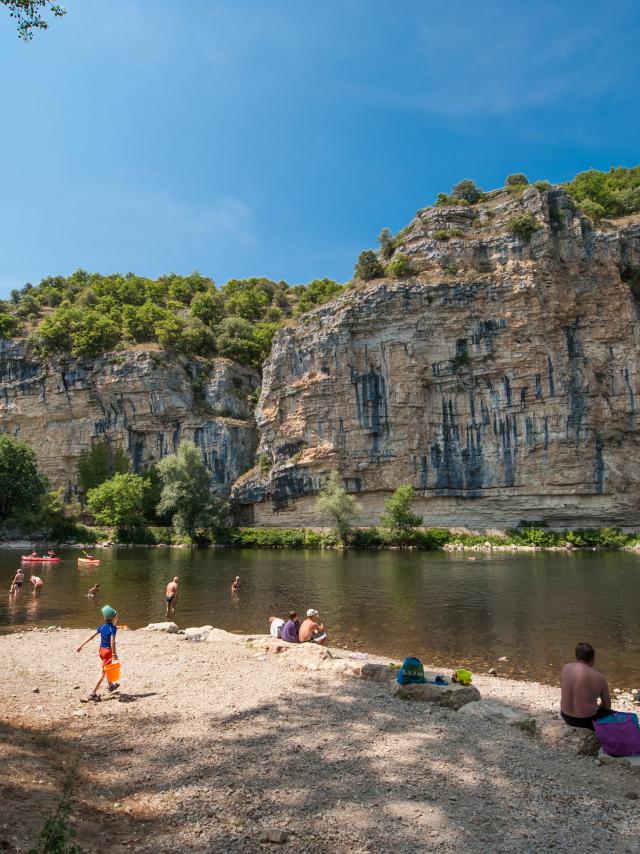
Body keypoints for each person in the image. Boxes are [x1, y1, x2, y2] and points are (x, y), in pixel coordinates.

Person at [560, 642, 614, 730]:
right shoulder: (599, 677)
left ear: (577, 656)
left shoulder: (565, 668)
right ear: (593, 659)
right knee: (608, 713)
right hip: (587, 721)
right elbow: (607, 706)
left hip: (566, 716)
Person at [76, 604, 120, 701]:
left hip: (101, 651)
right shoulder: (113, 628)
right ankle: (93, 693)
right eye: (116, 617)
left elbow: (91, 636)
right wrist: (114, 654)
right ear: (113, 618)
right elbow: (112, 641)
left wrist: (81, 645)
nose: (117, 618)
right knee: (103, 671)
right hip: (108, 652)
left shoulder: (102, 627)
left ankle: (111, 685)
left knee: (107, 668)